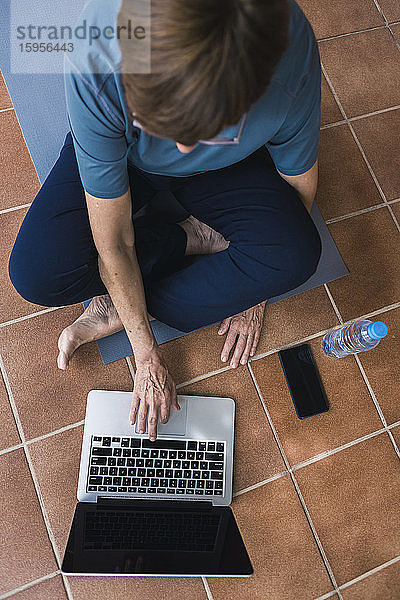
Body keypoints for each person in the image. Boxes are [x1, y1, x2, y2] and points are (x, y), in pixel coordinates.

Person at [9, 0, 322, 441]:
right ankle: (182, 241)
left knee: (295, 253)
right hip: (127, 157)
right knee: (37, 275)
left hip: (227, 169)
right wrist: (145, 354)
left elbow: (298, 185)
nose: (182, 150)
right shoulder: (97, 57)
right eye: (168, 128)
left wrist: (258, 292)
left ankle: (142, 280)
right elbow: (113, 238)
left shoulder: (290, 55)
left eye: (204, 131)